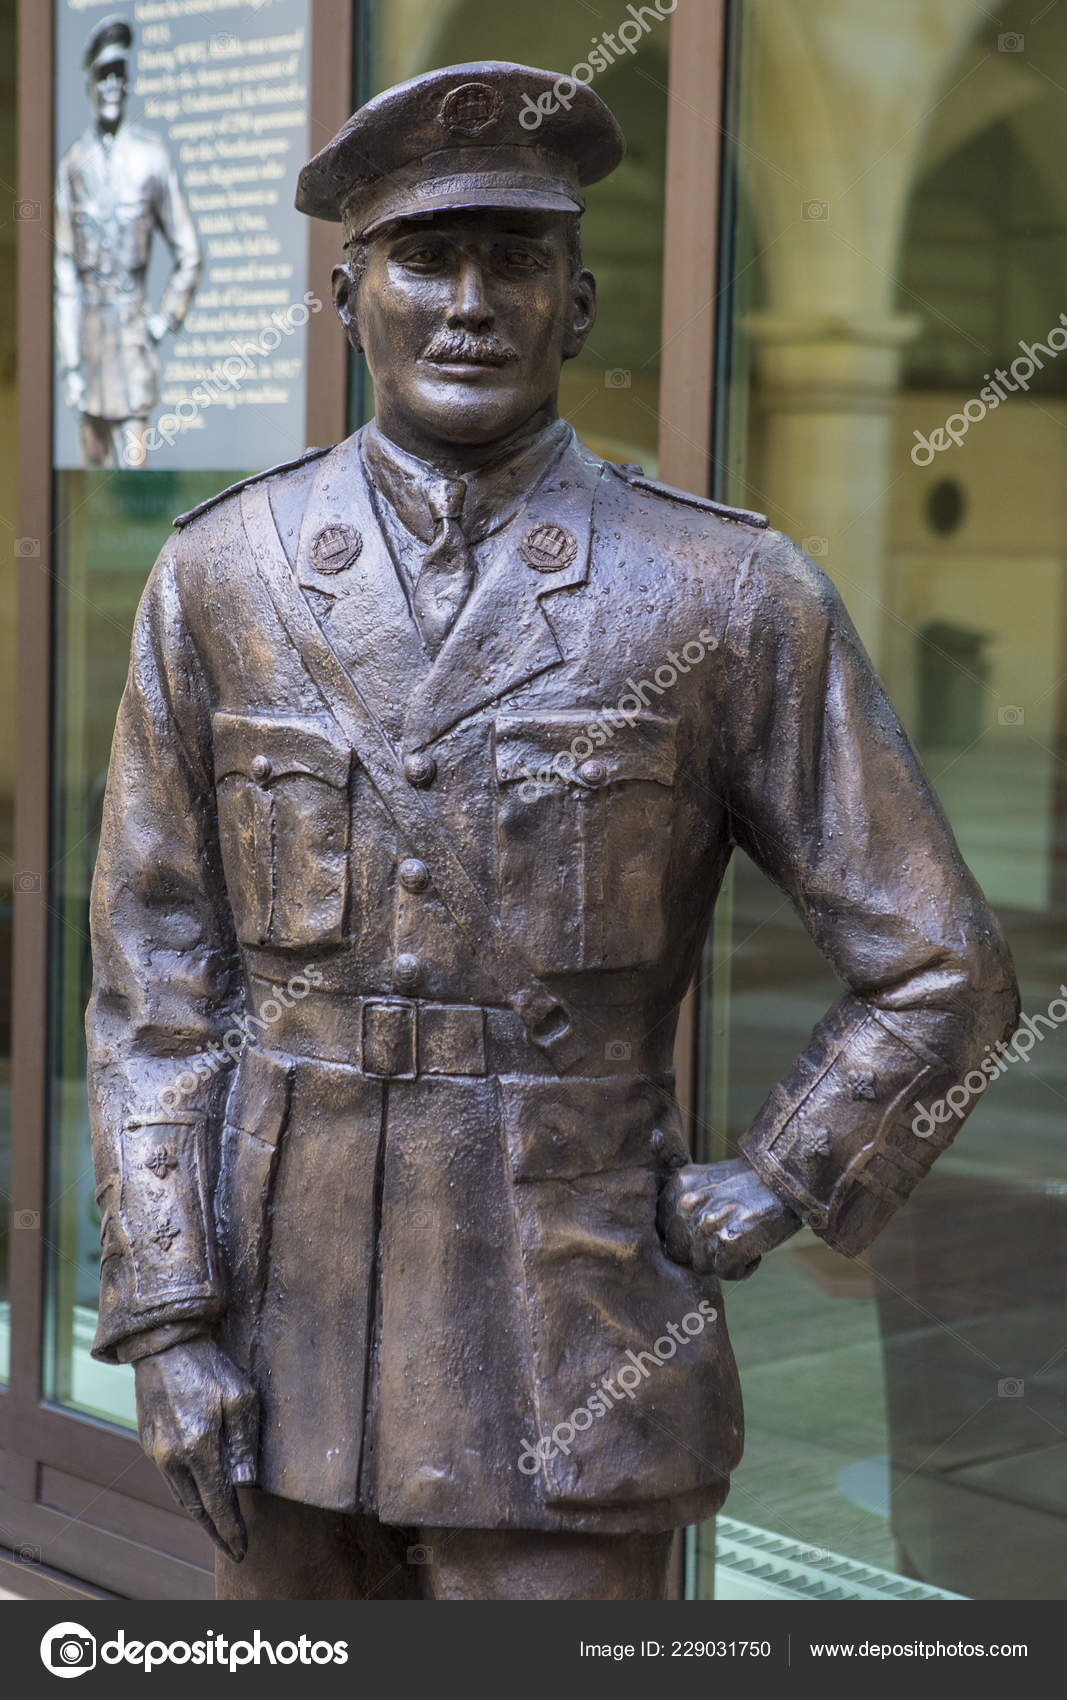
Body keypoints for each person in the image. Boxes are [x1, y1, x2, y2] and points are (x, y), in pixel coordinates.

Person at [86, 62, 1018, 1600]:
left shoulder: (720, 592)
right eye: (423, 259)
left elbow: (939, 966)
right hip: (281, 1331)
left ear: (575, 307)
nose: (467, 304)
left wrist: (784, 1174)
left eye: (511, 262)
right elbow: (154, 986)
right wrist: (169, 1318)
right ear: (347, 296)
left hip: (567, 1332)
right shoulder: (225, 577)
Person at [54, 14, 201, 469]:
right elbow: (65, 272)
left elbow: (189, 253)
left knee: (135, 478)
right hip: (89, 356)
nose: (112, 87)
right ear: (91, 84)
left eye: (119, 75)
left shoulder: (151, 158)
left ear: (128, 83)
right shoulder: (73, 166)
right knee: (88, 486)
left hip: (132, 355)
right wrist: (71, 365)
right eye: (103, 76)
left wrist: (163, 321)